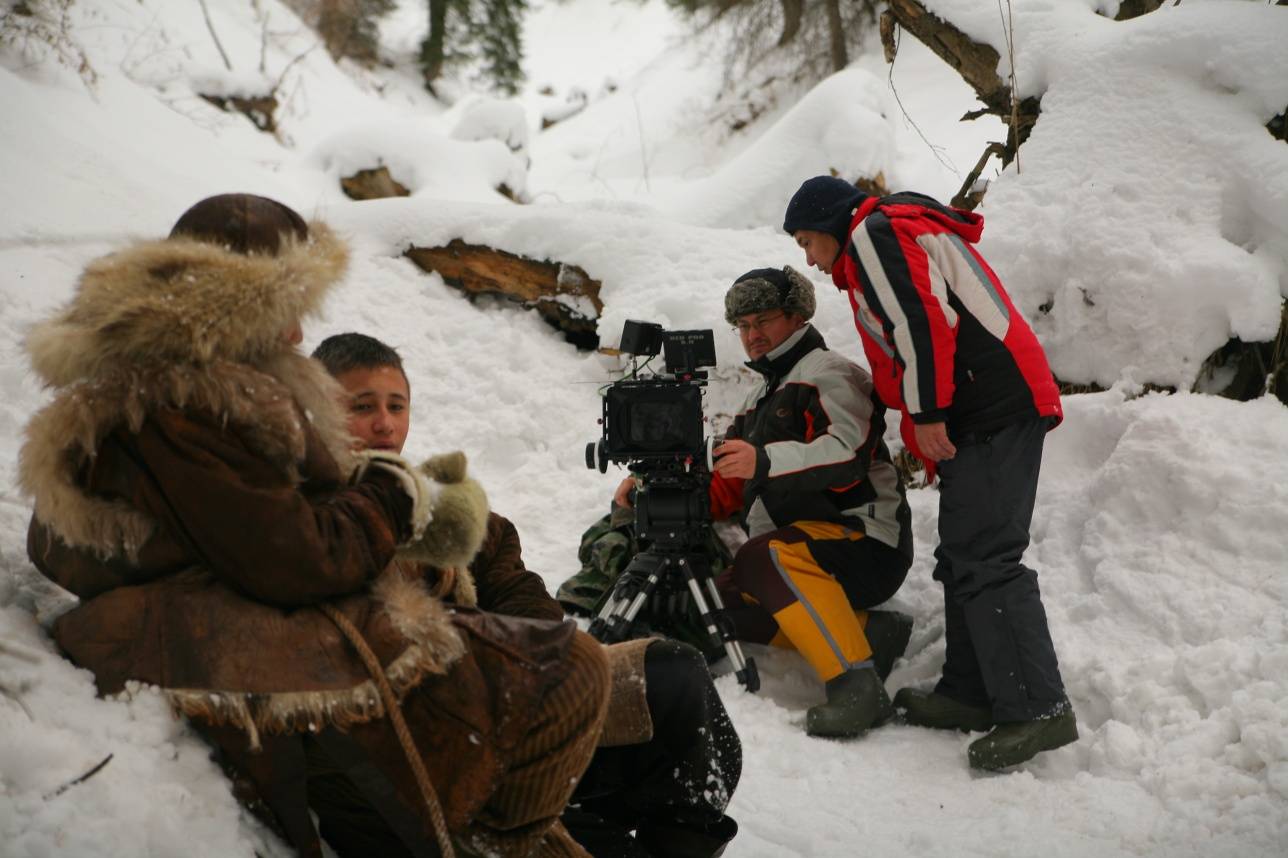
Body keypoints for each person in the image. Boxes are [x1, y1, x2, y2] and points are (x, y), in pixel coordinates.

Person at [20, 193, 610, 857]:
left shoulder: (215, 393)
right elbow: (296, 558)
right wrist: (389, 494)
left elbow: (476, 554)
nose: (299, 334)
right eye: (285, 310)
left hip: (277, 641)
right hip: (249, 660)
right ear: (233, 303)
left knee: (584, 678)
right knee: (576, 677)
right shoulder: (180, 401)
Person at [313, 332, 742, 858]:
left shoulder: (446, 512)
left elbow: (524, 598)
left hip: (512, 713)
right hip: (428, 752)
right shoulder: (304, 515)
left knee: (678, 676)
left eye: (396, 405)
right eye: (363, 406)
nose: (385, 423)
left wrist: (537, 667)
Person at [784, 175, 1078, 770]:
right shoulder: (884, 234)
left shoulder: (872, 233)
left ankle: (1038, 708)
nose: (811, 262)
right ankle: (970, 691)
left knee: (988, 555)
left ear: (831, 225)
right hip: (981, 405)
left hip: (993, 403)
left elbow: (923, 325)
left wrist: (926, 413)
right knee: (965, 551)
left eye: (808, 243)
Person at [709, 266, 916, 739]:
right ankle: (867, 632)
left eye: (763, 320)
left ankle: (856, 684)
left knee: (762, 556)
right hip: (804, 549)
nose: (752, 335)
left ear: (798, 316)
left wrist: (761, 460)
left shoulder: (830, 373)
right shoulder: (759, 396)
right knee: (718, 602)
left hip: (865, 543)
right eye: (742, 326)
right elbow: (730, 480)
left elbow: (846, 453)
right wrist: (652, 490)